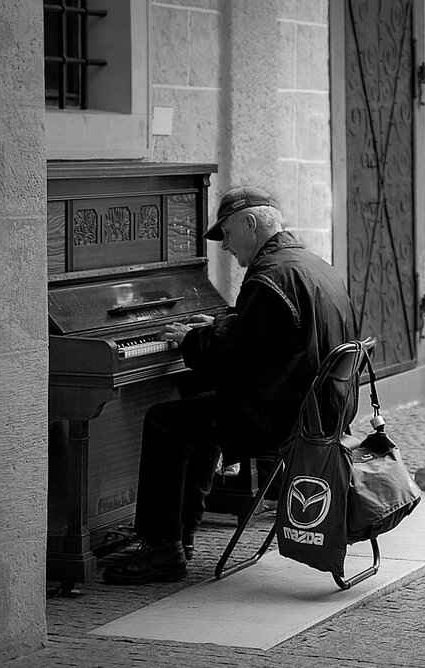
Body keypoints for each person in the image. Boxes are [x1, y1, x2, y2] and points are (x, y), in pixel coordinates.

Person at [104, 187, 354, 584]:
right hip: (321, 410)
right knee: (199, 409)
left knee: (166, 422)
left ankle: (162, 548)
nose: (225, 247)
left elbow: (239, 356)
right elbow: (271, 333)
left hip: (280, 418)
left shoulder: (268, 278)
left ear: (250, 224)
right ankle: (179, 537)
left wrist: (192, 339)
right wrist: (218, 326)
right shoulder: (309, 264)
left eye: (228, 234)